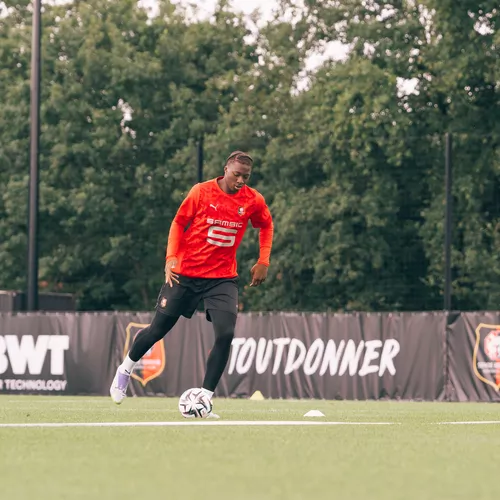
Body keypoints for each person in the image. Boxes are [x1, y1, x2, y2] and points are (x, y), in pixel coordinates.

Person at [110, 151, 274, 416]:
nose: (241, 181)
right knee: (157, 330)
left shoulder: (253, 199)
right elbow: (179, 222)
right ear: (225, 169)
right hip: (185, 274)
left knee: (226, 334)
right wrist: (171, 258)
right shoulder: (201, 192)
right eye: (237, 175)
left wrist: (263, 260)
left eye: (246, 176)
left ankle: (205, 398)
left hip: (222, 278)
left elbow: (266, 225)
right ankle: (125, 368)